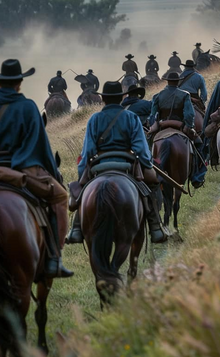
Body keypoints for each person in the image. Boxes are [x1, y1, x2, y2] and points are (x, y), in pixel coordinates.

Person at [0, 59, 73, 278]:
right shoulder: (28, 107)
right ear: (19, 83)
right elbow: (41, 147)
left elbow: (51, 89)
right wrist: (54, 173)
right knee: (59, 197)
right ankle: (54, 259)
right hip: (20, 169)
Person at [67, 81, 167, 245]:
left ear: (104, 99)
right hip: (127, 164)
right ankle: (155, 227)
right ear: (121, 98)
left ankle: (76, 228)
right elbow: (140, 148)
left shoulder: (94, 119)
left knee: (84, 190)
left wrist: (81, 174)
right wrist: (147, 164)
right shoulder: (131, 117)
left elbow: (88, 151)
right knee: (153, 184)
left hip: (99, 165)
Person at [149, 72, 206, 188]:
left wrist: (155, 125)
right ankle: (197, 176)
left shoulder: (158, 96)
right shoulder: (185, 95)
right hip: (180, 126)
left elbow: (152, 116)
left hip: (162, 126)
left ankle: (148, 172)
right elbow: (189, 115)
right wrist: (189, 126)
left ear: (167, 81)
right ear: (178, 82)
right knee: (199, 144)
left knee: (148, 143)